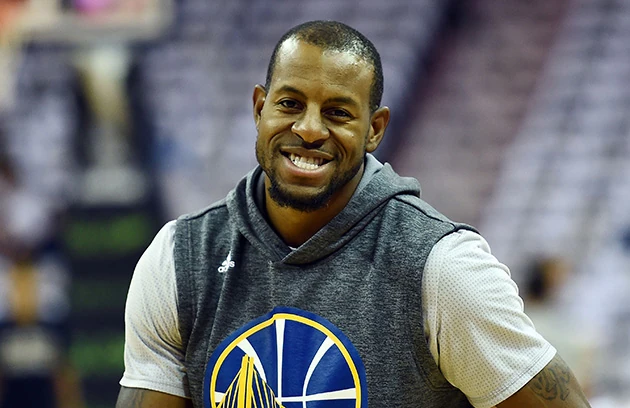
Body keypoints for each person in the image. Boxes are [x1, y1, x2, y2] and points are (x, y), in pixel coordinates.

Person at [115, 20, 591, 408]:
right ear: (260, 108)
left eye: (338, 113)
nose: (309, 129)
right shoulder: (178, 258)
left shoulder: (443, 268)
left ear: (374, 130)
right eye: (289, 104)